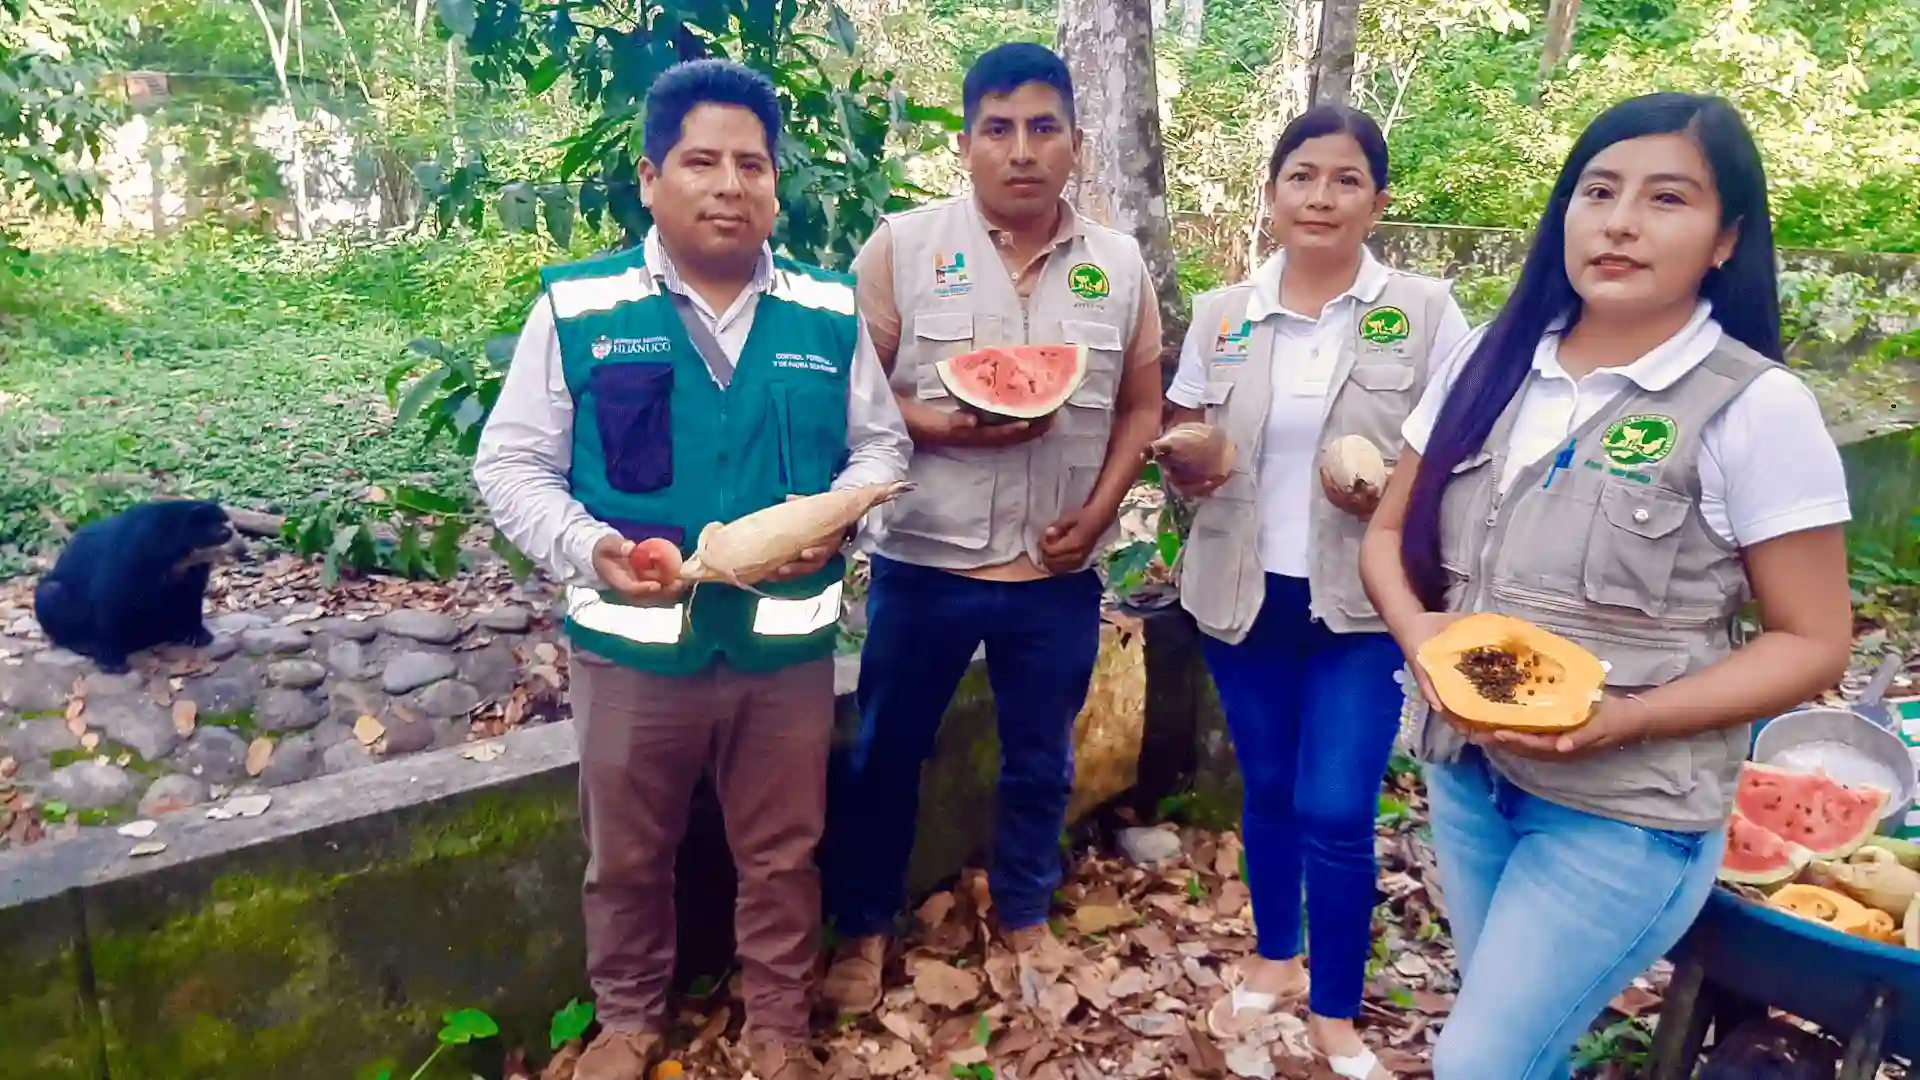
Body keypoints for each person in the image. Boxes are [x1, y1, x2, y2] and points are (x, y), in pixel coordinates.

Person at [1356, 92, 1853, 1079]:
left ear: (1725, 239)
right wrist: (1428, 645)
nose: (1620, 221)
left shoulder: (1756, 407)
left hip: (1626, 812)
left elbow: (1813, 641)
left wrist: (1624, 718)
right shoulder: (1488, 360)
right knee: (1517, 1049)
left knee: (1477, 1064)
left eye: (1666, 198)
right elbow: (1381, 535)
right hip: (1468, 779)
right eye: (1598, 190)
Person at [471, 58, 912, 1080]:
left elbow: (882, 451)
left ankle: (777, 1028)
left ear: (774, 181)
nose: (730, 184)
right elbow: (512, 462)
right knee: (626, 858)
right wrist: (594, 549)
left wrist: (840, 524)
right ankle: (627, 1019)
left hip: (784, 650)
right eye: (701, 161)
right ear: (649, 177)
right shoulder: (582, 307)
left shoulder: (826, 309)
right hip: (634, 658)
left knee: (783, 855)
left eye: (751, 163)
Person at [816, 41, 1166, 1012]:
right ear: (966, 144)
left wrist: (1098, 514)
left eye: (1043, 129)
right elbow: (855, 391)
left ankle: (1023, 914)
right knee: (885, 751)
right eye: (999, 130)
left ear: (1076, 145)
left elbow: (1142, 404)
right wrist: (936, 421)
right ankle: (864, 927)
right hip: (923, 561)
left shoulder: (1118, 263)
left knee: (1044, 759)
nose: (1022, 150)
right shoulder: (901, 247)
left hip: (1056, 569)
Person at [1162, 103, 1471, 1080]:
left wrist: (1391, 488)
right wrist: (1190, 459)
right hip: (1243, 593)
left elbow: (1468, 449)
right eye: (1302, 176)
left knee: (1337, 807)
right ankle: (1274, 957)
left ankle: (1336, 1006)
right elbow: (1182, 429)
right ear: (1272, 194)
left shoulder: (1424, 312)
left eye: (1346, 179)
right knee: (1271, 789)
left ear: (1377, 200)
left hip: (1363, 605)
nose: (1321, 197)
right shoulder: (1225, 314)